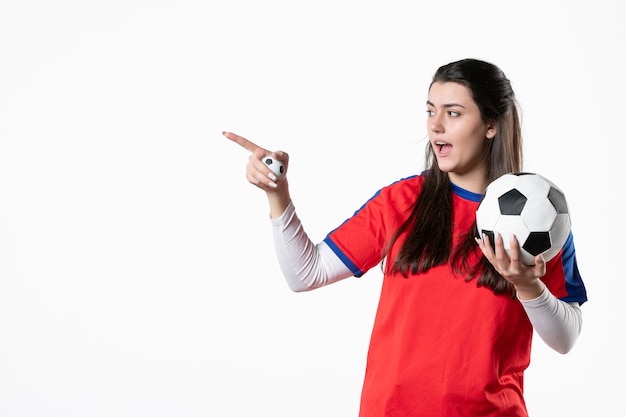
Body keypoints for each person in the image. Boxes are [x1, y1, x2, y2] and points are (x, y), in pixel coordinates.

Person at [223, 58, 587, 417]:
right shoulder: (402, 202)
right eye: (431, 111)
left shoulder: (540, 217)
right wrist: (277, 194)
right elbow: (306, 273)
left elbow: (565, 339)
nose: (436, 126)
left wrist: (529, 287)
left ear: (491, 124)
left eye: (454, 113)